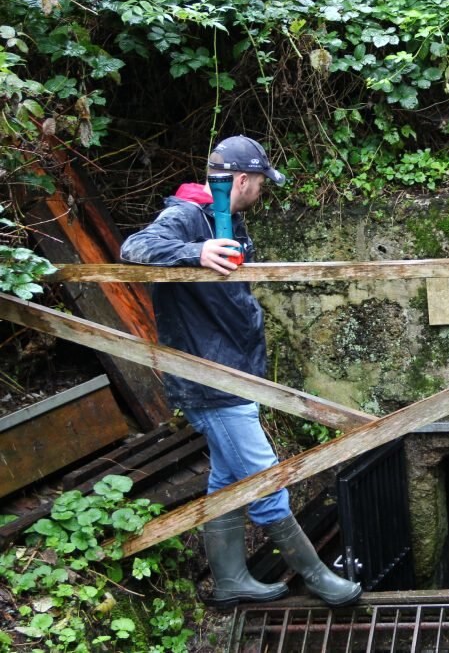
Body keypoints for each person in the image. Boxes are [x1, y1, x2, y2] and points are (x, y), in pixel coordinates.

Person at [120, 135, 362, 608]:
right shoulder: (188, 215)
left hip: (234, 372)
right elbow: (136, 247)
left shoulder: (225, 218)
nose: (262, 193)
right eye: (261, 184)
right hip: (209, 379)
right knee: (264, 477)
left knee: (228, 481)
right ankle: (316, 576)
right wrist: (196, 254)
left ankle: (230, 580)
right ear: (244, 179)